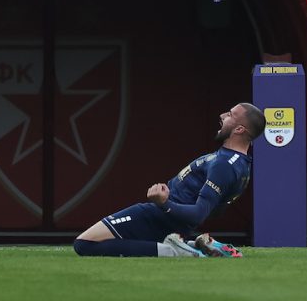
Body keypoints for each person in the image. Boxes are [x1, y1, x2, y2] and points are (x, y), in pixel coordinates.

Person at [73, 103, 265, 258]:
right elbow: (215, 209)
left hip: (159, 217)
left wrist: (165, 204)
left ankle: (175, 250)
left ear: (239, 129)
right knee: (103, 243)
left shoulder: (225, 164)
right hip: (172, 221)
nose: (223, 115)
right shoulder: (238, 163)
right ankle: (193, 244)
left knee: (84, 244)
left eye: (230, 115)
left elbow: (200, 214)